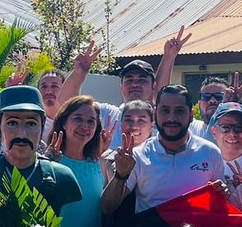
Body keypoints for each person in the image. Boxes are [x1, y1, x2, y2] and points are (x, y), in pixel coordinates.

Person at [102, 85, 229, 216]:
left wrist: (223, 191)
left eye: (179, 111)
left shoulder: (211, 152)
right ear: (156, 113)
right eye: (165, 111)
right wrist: (120, 176)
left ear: (191, 115)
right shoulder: (138, 155)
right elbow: (108, 207)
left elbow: (221, 201)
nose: (171, 118)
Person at [0, 85, 82, 220]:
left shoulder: (61, 177)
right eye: (12, 123)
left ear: (42, 127)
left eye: (31, 124)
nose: (22, 134)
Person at [59, 28, 190, 150]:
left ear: (153, 86)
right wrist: (78, 74)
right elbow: (67, 105)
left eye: (142, 80)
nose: (135, 84)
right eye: (129, 79)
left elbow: (163, 93)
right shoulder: (107, 114)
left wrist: (168, 57)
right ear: (121, 86)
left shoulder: (163, 120)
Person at [46, 95, 111, 227]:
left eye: (91, 121)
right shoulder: (48, 163)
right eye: (78, 119)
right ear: (63, 122)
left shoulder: (100, 164)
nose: (85, 126)